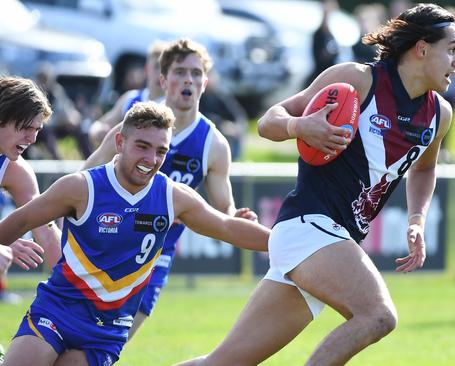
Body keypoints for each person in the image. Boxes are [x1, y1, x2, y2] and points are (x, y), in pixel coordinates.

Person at [176, 3, 455, 365]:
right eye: (451, 50)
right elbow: (269, 120)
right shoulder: (358, 79)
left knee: (222, 363)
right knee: (378, 315)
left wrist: (416, 219)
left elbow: (423, 169)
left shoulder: (440, 114)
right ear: (422, 48)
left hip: (328, 241)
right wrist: (300, 127)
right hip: (308, 227)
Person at [0, 101, 270, 366]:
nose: (151, 160)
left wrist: (287, 243)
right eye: (142, 146)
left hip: (105, 332)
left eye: (161, 151)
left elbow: (227, 227)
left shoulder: (172, 197)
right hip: (57, 312)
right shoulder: (81, 188)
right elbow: (20, 220)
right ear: (120, 142)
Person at [82, 38, 258, 341]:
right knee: (74, 340)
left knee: (110, 344)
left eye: (196, 72)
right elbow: (85, 177)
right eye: (179, 72)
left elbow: (223, 209)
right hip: (104, 245)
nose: (188, 79)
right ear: (163, 80)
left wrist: (236, 216)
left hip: (153, 258)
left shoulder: (213, 145)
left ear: (205, 83)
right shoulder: (133, 125)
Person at [0, 76, 63, 304]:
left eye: (37, 129)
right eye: (26, 127)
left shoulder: (15, 171)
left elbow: (45, 232)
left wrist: (79, 287)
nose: (32, 138)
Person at [88, 40, 167, 147]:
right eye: (157, 66)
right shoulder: (130, 97)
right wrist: (99, 131)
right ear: (147, 69)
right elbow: (100, 124)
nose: (160, 74)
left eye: (166, 68)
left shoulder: (172, 106)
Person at [31, 64, 93, 159]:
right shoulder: (32, 95)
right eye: (42, 79)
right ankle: (57, 162)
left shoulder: (56, 91)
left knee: (80, 129)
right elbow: (36, 118)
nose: (44, 83)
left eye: (46, 79)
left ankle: (89, 159)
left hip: (59, 126)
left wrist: (72, 118)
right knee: (46, 130)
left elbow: (66, 107)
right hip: (41, 129)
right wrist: (56, 121)